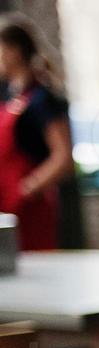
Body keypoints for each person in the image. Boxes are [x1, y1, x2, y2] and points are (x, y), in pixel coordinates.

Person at [0, 16, 72, 251]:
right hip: (6, 203)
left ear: (15, 51)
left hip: (31, 206)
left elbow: (63, 158)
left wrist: (27, 188)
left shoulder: (42, 99)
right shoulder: (8, 96)